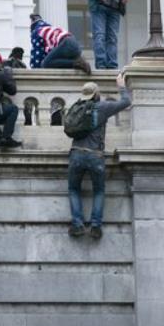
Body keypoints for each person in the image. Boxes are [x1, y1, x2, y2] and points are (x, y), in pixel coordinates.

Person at [67, 73, 131, 239]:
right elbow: (126, 102)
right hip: (95, 155)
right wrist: (121, 86)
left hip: (76, 153)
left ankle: (77, 224)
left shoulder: (75, 107)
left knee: (74, 189)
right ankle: (96, 226)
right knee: (99, 191)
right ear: (96, 94)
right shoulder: (102, 107)